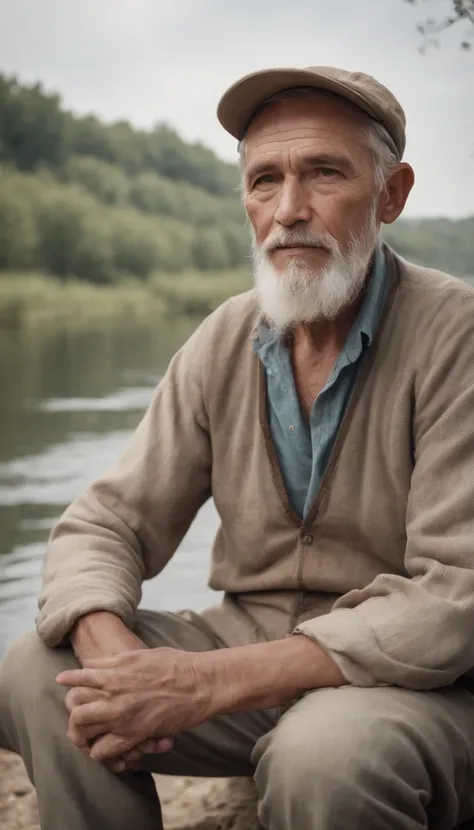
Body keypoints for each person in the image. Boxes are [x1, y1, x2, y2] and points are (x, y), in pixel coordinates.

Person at [1, 65, 474, 830]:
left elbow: (457, 596)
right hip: (250, 653)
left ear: (392, 194)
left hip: (420, 691)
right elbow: (103, 525)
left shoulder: (458, 336)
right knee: (38, 670)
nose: (290, 209)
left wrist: (206, 683)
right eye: (264, 181)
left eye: (324, 173)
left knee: (324, 753)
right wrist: (122, 667)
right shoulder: (223, 337)